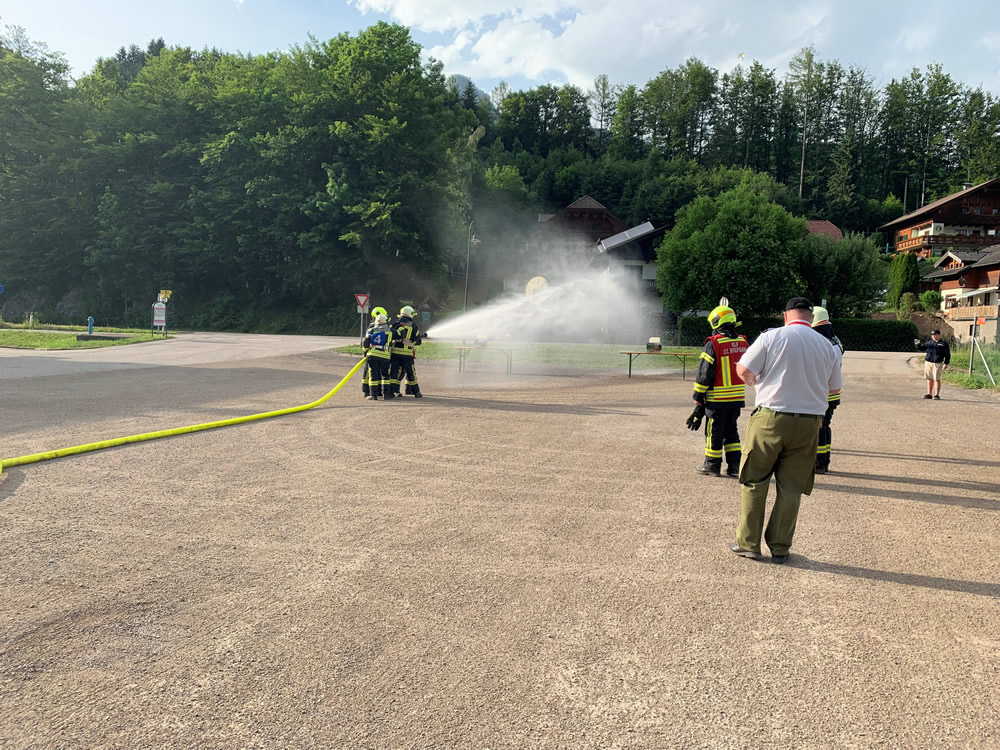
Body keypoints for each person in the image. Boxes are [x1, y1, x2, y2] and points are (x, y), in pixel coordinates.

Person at [729, 297, 842, 564]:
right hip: (809, 422)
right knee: (791, 488)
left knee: (755, 480)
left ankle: (749, 543)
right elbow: (834, 388)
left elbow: (743, 369)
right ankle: (780, 547)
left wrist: (756, 382)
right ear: (811, 317)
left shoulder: (771, 337)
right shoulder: (828, 346)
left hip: (771, 417)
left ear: (785, 315)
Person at [689, 304, 749, 477]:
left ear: (716, 322)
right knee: (731, 431)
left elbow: (704, 373)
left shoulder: (714, 343)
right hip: (736, 398)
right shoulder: (743, 342)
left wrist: (698, 397)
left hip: (717, 399)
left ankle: (712, 465)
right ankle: (735, 465)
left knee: (713, 432)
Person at [810, 306, 844, 474]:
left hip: (822, 393)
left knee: (819, 427)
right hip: (832, 392)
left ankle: (820, 462)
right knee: (824, 426)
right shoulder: (835, 341)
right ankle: (823, 461)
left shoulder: (822, 343)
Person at [389, 305, 423, 398]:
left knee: (394, 373)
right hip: (407, 355)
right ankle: (416, 392)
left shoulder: (395, 324)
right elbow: (418, 341)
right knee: (411, 373)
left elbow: (389, 335)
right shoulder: (414, 327)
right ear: (411, 314)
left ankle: (392, 392)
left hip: (395, 354)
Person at [362, 313, 393, 400]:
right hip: (385, 356)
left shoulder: (371, 330)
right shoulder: (390, 331)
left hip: (373, 355)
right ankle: (386, 394)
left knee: (373, 374)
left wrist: (365, 352)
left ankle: (373, 395)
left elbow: (366, 343)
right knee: (385, 374)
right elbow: (398, 336)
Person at [914, 329, 950, 400]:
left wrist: (946, 363)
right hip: (928, 362)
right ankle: (929, 394)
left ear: (939, 335)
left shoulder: (943, 343)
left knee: (937, 379)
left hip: (937, 363)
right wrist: (917, 345)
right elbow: (922, 348)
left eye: (936, 334)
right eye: (933, 335)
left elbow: (947, 354)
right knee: (929, 378)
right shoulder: (930, 342)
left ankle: (936, 394)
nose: (934, 336)